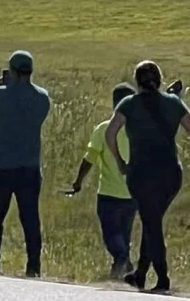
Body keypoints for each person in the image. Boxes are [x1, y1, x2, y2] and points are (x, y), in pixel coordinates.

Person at [105, 62, 190, 294]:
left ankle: (162, 278)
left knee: (152, 223)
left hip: (141, 173)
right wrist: (178, 101)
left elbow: (110, 133)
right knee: (152, 220)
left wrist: (120, 161)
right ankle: (140, 274)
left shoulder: (128, 104)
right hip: (170, 174)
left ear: (137, 82)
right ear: (159, 80)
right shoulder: (173, 102)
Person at [0, 51, 51, 277]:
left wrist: (0, 89)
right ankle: (33, 266)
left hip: (2, 164)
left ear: (11, 69)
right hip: (29, 166)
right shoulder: (42, 97)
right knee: (30, 218)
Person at [67, 83, 137, 278]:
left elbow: (89, 159)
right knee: (124, 233)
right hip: (133, 194)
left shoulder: (104, 129)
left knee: (111, 234)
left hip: (108, 193)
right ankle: (122, 269)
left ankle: (123, 260)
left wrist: (78, 182)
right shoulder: (139, 130)